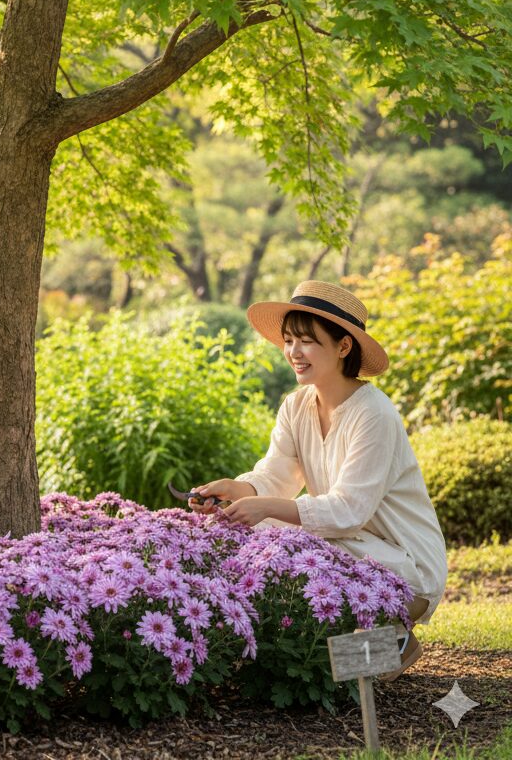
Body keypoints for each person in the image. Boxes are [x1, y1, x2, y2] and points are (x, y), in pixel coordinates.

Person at [190, 280, 447, 680]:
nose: (293, 352)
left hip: (407, 565)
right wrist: (233, 491)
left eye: (307, 341)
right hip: (353, 546)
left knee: (288, 534)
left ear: (344, 346)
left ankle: (391, 637)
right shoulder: (297, 405)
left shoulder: (373, 414)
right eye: (289, 340)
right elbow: (275, 477)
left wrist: (264, 509)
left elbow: (348, 511)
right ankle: (359, 645)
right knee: (254, 528)